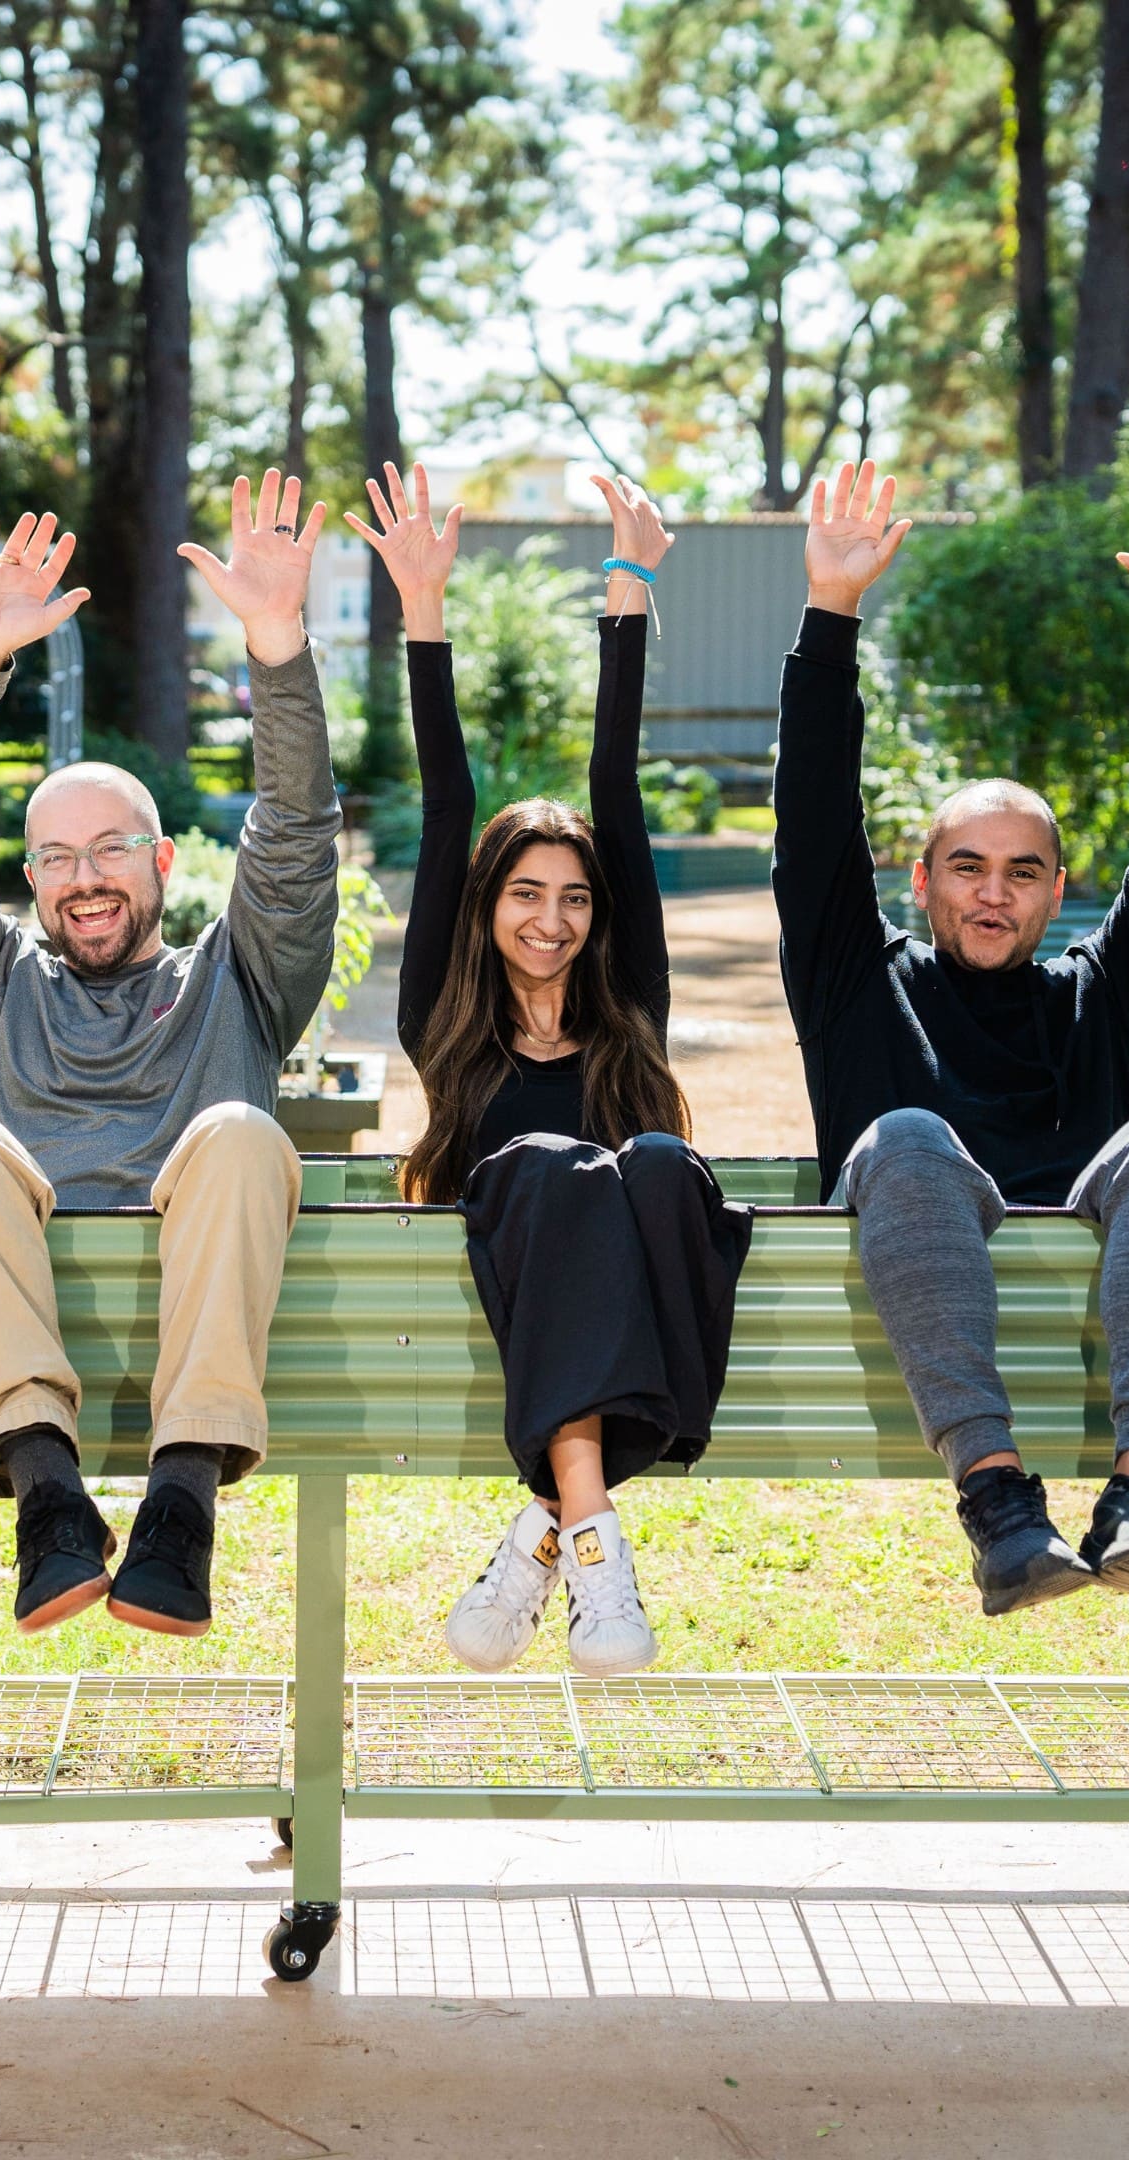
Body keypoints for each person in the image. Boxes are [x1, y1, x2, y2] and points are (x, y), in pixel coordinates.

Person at [773, 461, 1129, 1614]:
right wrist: (830, 615)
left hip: (1089, 1260)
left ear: (1056, 891)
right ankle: (997, 1504)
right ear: (922, 880)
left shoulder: (1103, 995)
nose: (994, 894)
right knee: (907, 1136)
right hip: (911, 1257)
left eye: (1023, 872)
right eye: (969, 868)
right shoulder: (855, 982)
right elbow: (813, 815)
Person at [0, 474, 340, 1639]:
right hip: (25, 1311)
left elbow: (292, 831)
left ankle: (181, 1506)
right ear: (28, 878)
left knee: (241, 1135)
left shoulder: (239, 979)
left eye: (112, 849)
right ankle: (50, 1498)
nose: (84, 877)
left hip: (202, 1296)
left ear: (164, 859)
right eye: (55, 857)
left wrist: (276, 646)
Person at [359, 462, 752, 1678]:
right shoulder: (445, 1022)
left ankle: (553, 1525)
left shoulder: (630, 1012)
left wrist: (629, 586)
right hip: (516, 1262)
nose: (553, 918)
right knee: (551, 1169)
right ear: (486, 908)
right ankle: (594, 1539)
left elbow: (616, 790)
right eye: (526, 893)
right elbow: (446, 798)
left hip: (600, 1310)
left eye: (576, 898)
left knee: (662, 1165)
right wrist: (422, 606)